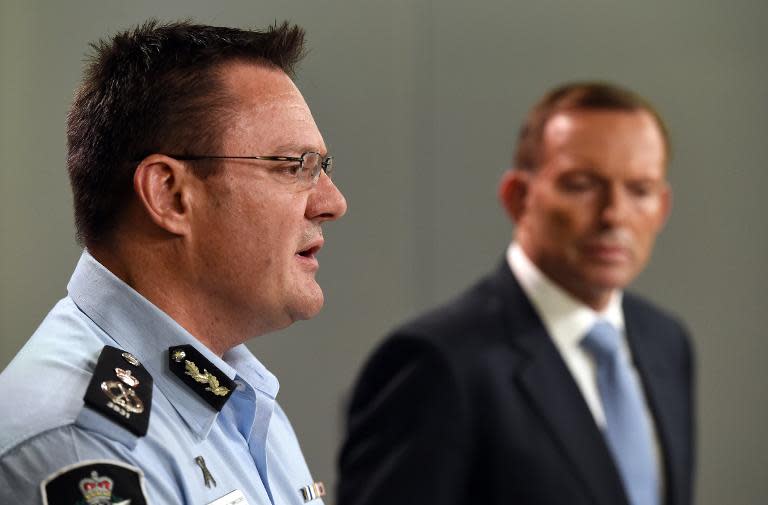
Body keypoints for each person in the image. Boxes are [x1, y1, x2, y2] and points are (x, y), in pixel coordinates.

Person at [0, 20, 346, 505]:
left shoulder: (243, 404)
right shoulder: (81, 444)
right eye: (294, 166)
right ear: (169, 194)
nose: (333, 202)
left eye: (322, 168)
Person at [338, 82, 694, 505]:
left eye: (639, 190)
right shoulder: (436, 362)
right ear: (518, 197)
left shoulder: (666, 342)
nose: (614, 214)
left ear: (663, 207)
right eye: (581, 184)